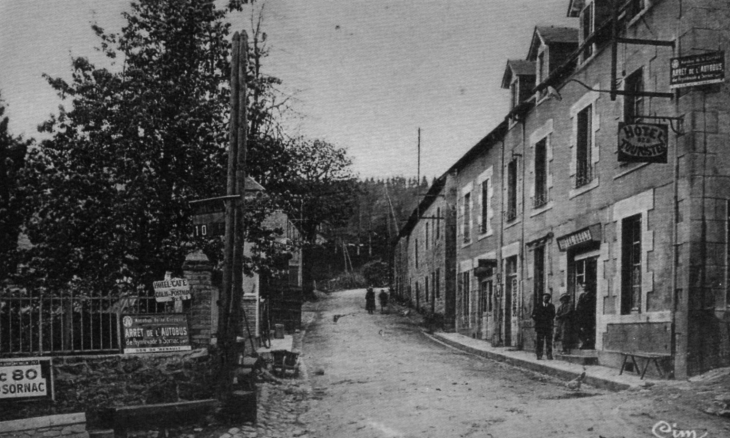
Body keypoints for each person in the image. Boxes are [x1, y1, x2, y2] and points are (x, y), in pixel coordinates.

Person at [531, 292, 555, 360]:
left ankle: (549, 355)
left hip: (548, 326)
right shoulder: (538, 306)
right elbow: (533, 315)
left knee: (549, 342)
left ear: (549, 299)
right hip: (540, 327)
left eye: (547, 297)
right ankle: (539, 355)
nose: (546, 298)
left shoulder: (551, 306)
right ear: (542, 298)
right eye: (545, 297)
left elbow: (553, 315)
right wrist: (538, 319)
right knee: (540, 341)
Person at [575, 284, 596, 349]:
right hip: (581, 315)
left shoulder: (592, 296)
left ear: (588, 287)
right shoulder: (582, 295)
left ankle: (589, 343)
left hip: (588, 316)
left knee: (588, 330)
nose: (583, 288)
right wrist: (578, 312)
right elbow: (578, 304)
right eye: (583, 287)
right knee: (580, 329)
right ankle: (584, 342)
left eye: (585, 287)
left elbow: (592, 306)